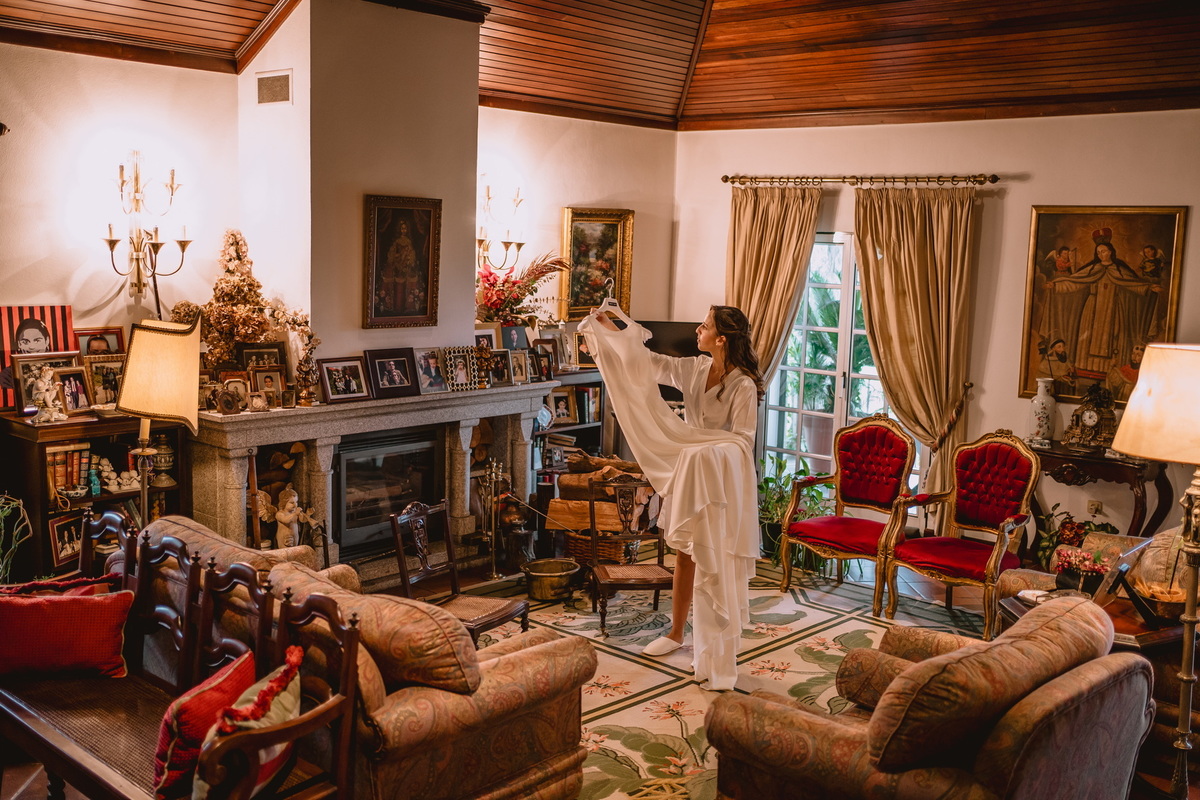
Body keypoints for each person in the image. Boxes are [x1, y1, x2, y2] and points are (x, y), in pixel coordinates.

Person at [582, 303, 762, 691]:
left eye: (705, 326)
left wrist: (703, 451)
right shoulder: (695, 369)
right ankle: (677, 632)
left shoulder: (743, 386)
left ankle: (717, 649)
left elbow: (743, 441)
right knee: (685, 551)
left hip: (721, 481)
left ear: (721, 339)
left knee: (715, 557)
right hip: (692, 472)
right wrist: (607, 329)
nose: (697, 330)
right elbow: (647, 363)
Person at [1039, 235, 1162, 378]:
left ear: (1110, 251)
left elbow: (1133, 284)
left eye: (1103, 251)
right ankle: (1084, 368)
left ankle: (1109, 372)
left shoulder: (1119, 270)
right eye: (1098, 252)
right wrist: (1056, 286)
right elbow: (1075, 282)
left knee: (1113, 336)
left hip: (1113, 309)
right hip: (1092, 308)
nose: (1100, 255)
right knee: (1088, 337)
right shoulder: (1093, 269)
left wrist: (1149, 288)